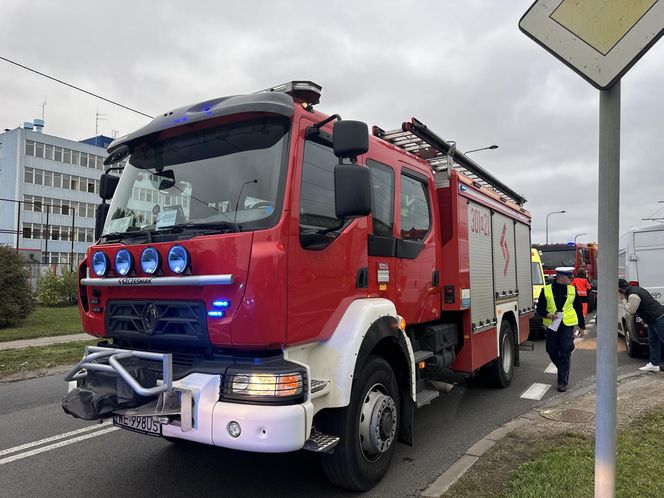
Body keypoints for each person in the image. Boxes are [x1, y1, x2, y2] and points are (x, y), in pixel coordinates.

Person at [537, 268, 585, 392]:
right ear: (561, 277)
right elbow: (540, 308)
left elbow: (578, 309)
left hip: (567, 324)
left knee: (565, 349)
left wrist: (582, 326)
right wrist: (547, 314)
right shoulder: (546, 290)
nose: (571, 280)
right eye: (569, 277)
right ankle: (563, 368)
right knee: (551, 349)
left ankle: (562, 382)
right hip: (552, 324)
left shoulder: (572, 290)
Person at [618, 279, 664, 372]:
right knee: (653, 341)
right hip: (652, 319)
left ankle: (654, 363)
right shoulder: (636, 289)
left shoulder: (633, 295)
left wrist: (623, 300)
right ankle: (654, 364)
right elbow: (645, 305)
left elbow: (632, 310)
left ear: (620, 290)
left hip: (658, 318)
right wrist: (644, 319)